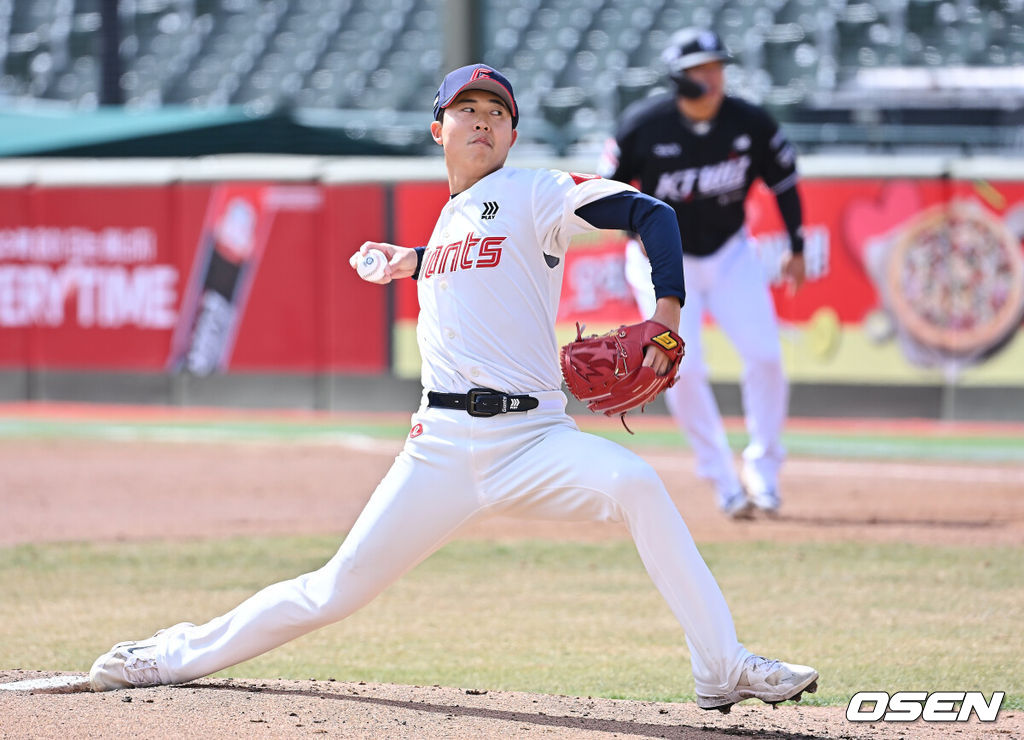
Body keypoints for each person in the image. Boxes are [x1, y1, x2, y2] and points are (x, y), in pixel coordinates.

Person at [89, 63, 818, 714]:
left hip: (532, 440)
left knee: (636, 485)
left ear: (511, 135)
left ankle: (721, 669)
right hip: (438, 449)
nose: (482, 121)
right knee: (333, 590)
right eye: (467, 110)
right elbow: (462, 252)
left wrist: (665, 314)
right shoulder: (447, 222)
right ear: (438, 130)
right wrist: (404, 260)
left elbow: (651, 214)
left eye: (497, 113)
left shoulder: (535, 193)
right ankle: (169, 656)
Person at [599, 29, 807, 520]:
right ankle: (721, 477)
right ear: (679, 78)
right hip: (662, 262)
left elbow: (785, 181)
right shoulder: (643, 126)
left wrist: (797, 245)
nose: (712, 77)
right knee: (681, 368)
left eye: (717, 67)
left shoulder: (748, 121)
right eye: (700, 69)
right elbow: (605, 192)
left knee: (766, 356)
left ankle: (764, 471)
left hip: (730, 254)